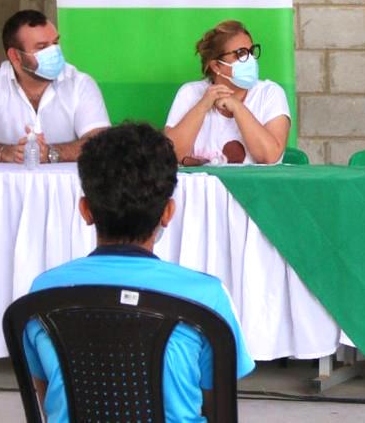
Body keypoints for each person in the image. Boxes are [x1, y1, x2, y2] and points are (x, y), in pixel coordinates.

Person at [22, 122, 254, 422]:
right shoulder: (206, 297)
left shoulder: (43, 292)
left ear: (85, 210)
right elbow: (219, 408)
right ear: (168, 212)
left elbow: (47, 400)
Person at [0, 9, 109, 163]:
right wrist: (3, 153)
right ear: (15, 56)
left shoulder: (81, 84)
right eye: (42, 47)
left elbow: (102, 145)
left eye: (56, 43)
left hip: (66, 193)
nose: (54, 52)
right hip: (5, 191)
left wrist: (53, 153)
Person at [165, 20, 290, 165]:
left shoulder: (270, 93)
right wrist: (202, 106)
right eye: (240, 54)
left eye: (251, 52)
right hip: (204, 187)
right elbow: (170, 155)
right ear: (216, 66)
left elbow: (270, 156)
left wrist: (238, 108)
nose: (250, 59)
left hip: (255, 186)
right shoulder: (190, 93)